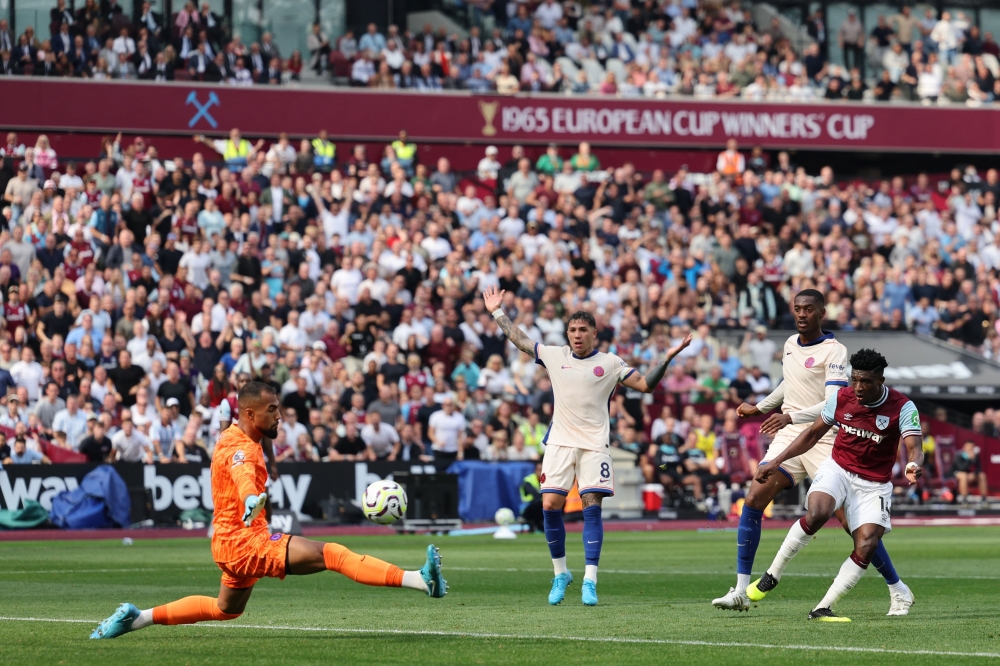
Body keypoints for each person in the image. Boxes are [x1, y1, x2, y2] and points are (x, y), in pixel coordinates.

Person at [90, 382, 447, 640]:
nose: (280, 416)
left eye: (278, 407)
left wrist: (224, 422)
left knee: (226, 609)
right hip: (245, 541)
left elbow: (232, 449)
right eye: (272, 410)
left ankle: (138, 619)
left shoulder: (233, 436)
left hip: (229, 544)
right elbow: (243, 473)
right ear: (250, 413)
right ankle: (420, 579)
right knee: (331, 554)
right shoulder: (243, 449)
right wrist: (249, 499)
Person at [483, 284, 690, 606]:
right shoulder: (554, 355)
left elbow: (647, 385)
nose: (577, 335)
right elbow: (521, 340)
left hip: (594, 444)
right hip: (560, 443)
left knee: (592, 504)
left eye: (582, 330)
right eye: (572, 330)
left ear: (594, 332)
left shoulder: (609, 363)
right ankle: (560, 573)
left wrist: (666, 358)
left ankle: (590, 580)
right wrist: (497, 312)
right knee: (550, 505)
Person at [713, 290, 911, 616]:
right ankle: (740, 590)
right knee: (754, 497)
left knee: (851, 524)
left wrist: (790, 415)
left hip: (825, 436)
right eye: (797, 309)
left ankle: (896, 586)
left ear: (821, 312)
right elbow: (788, 384)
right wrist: (761, 407)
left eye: (808, 309)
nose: (802, 314)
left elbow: (832, 401)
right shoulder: (791, 344)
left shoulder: (835, 351)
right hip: (791, 435)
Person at [752, 348, 923, 621]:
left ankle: (823, 607)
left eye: (864, 381)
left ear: (880, 380)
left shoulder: (903, 407)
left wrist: (913, 464)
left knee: (866, 543)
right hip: (838, 468)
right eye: (854, 379)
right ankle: (772, 574)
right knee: (818, 512)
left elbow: (915, 447)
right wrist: (776, 461)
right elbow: (812, 434)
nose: (857, 387)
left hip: (874, 484)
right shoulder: (842, 398)